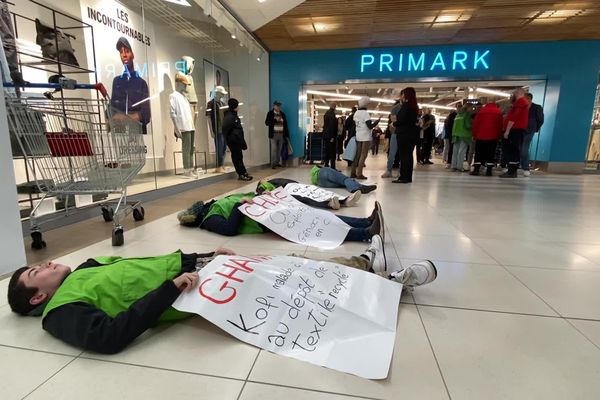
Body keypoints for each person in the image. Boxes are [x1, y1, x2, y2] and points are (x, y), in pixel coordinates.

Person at [7, 238, 437, 354]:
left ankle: (363, 262)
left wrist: (204, 256)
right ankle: (391, 284)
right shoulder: (60, 312)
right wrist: (169, 290)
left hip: (201, 276)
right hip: (197, 296)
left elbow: (152, 263)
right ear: (35, 299)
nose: (43, 265)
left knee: (287, 266)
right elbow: (108, 337)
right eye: (34, 273)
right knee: (288, 289)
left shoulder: (87, 268)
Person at [180, 196, 384, 244]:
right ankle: (365, 233)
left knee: (319, 217)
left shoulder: (215, 204)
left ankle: (364, 222)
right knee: (316, 227)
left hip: (271, 212)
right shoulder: (209, 218)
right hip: (266, 222)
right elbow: (229, 229)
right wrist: (239, 205)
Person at [110, 37, 151, 134]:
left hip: (137, 132)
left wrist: (126, 118)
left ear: (132, 54)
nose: (124, 55)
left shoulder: (141, 83)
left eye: (127, 51)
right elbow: (112, 107)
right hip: (120, 132)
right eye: (121, 52)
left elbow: (146, 114)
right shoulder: (117, 81)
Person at [255, 178, 362, 210]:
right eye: (264, 179)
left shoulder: (275, 179)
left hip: (296, 186)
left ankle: (345, 199)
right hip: (288, 191)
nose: (266, 179)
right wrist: (264, 191)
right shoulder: (264, 186)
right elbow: (260, 191)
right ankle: (329, 203)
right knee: (307, 197)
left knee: (318, 191)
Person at [170, 72, 197, 178]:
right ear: (178, 83)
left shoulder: (184, 98)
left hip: (190, 125)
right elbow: (172, 113)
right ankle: (187, 169)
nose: (186, 86)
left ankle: (191, 168)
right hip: (184, 126)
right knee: (186, 149)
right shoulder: (173, 96)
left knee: (191, 148)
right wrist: (176, 129)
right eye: (184, 84)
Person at [501, 88, 530, 178]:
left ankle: (512, 171)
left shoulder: (520, 102)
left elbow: (514, 117)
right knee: (514, 150)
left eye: (514, 93)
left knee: (512, 150)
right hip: (516, 129)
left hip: (515, 130)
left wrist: (507, 130)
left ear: (518, 93)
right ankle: (512, 170)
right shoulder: (522, 103)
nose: (513, 95)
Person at [392, 88, 419, 184]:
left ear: (406, 95)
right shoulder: (414, 107)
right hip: (411, 135)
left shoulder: (406, 106)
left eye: (403, 94)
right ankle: (408, 177)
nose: (401, 96)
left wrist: (394, 124)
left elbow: (402, 120)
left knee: (404, 156)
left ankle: (403, 177)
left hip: (404, 134)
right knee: (409, 156)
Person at [222, 98, 252, 181]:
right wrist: (229, 139)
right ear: (235, 106)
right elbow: (225, 129)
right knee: (237, 157)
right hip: (233, 141)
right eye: (237, 106)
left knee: (239, 157)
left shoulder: (233, 115)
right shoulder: (230, 116)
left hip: (236, 140)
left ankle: (243, 172)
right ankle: (241, 174)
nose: (238, 107)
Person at [470, 102, 503, 176]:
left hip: (480, 135)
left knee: (478, 153)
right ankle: (489, 171)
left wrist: (474, 135)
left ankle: (476, 170)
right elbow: (500, 125)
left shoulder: (481, 111)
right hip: (493, 136)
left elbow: (476, 124)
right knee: (490, 153)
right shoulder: (498, 112)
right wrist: (499, 135)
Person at [351, 96, 380, 179]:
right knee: (363, 155)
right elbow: (370, 126)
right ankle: (359, 173)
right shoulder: (365, 113)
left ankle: (353, 172)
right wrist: (377, 121)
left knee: (357, 155)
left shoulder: (356, 113)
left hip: (358, 135)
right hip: (365, 136)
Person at [206, 86, 228, 173]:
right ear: (217, 93)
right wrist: (211, 130)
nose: (222, 95)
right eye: (221, 93)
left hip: (224, 129)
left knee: (224, 147)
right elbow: (208, 117)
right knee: (219, 147)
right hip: (217, 129)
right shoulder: (210, 104)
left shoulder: (223, 104)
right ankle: (219, 166)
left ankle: (221, 165)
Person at [521, 93, 544, 177]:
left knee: (524, 148)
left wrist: (536, 128)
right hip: (520, 130)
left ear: (529, 98)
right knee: (520, 148)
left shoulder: (537, 108)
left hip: (530, 130)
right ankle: (522, 166)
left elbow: (540, 119)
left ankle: (526, 168)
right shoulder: (522, 107)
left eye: (525, 98)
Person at [311, 165, 376, 194]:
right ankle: (355, 188)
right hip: (324, 172)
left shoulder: (312, 175)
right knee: (345, 179)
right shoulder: (322, 169)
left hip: (321, 183)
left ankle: (362, 187)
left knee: (343, 184)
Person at [265, 100, 290, 169]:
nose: (278, 107)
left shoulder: (282, 114)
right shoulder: (270, 113)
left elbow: (286, 125)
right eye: (277, 105)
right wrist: (275, 120)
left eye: (279, 106)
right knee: (274, 149)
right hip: (273, 135)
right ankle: (273, 164)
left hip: (281, 134)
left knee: (279, 150)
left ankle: (277, 162)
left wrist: (287, 135)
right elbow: (267, 123)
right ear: (274, 106)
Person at [382, 99, 402, 178]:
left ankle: (389, 170)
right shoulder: (397, 110)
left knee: (392, 153)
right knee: (399, 154)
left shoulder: (396, 110)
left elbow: (391, 126)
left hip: (395, 133)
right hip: (398, 133)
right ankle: (398, 172)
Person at [451, 104, 474, 172]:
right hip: (464, 135)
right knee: (461, 152)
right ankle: (459, 167)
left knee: (455, 152)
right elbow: (468, 125)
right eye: (471, 108)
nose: (472, 109)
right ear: (468, 108)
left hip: (456, 135)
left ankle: (453, 166)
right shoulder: (467, 114)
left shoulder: (457, 115)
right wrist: (472, 125)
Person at [322, 102, 338, 169]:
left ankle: (326, 165)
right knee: (332, 152)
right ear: (334, 106)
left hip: (326, 135)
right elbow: (331, 126)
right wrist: (332, 136)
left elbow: (326, 125)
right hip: (330, 136)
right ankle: (333, 167)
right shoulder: (331, 114)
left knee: (327, 151)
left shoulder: (326, 113)